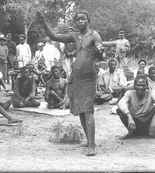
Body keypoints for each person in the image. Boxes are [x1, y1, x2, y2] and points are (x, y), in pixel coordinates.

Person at [37, 10, 104, 156]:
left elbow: (101, 52)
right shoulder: (75, 36)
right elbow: (54, 36)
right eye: (77, 19)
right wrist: (43, 22)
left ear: (88, 20)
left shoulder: (94, 35)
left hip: (88, 78)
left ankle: (92, 145)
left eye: (83, 19)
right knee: (80, 110)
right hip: (76, 77)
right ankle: (89, 140)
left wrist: (100, 52)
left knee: (88, 110)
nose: (80, 21)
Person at [116, 75, 155, 140]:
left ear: (147, 86)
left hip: (148, 122)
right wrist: (129, 116)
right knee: (119, 110)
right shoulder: (130, 93)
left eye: (143, 85)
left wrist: (154, 118)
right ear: (134, 85)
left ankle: (152, 132)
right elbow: (121, 102)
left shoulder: (151, 93)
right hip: (134, 122)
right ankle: (131, 132)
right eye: (138, 85)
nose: (141, 87)